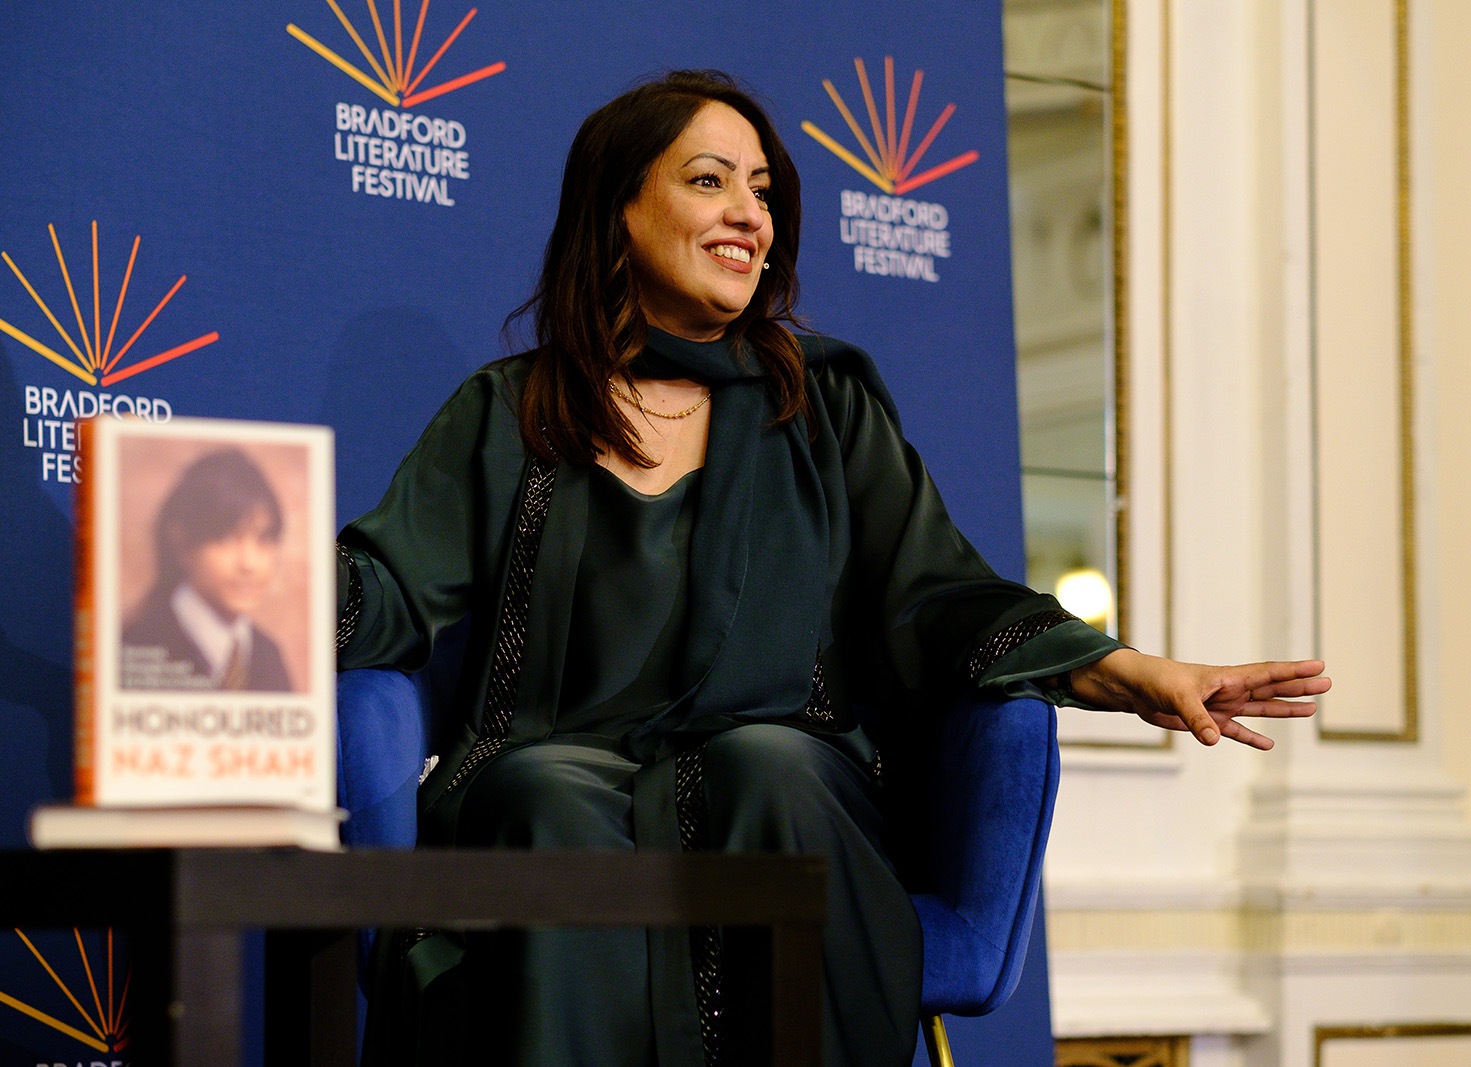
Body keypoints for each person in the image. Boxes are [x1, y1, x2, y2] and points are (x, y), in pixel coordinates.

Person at [334, 70, 1329, 1067]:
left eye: (762, 190)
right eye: (710, 180)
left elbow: (936, 593)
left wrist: (1128, 671)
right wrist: (243, 572)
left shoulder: (822, 402)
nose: (748, 216)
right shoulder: (514, 410)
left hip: (783, 780)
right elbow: (388, 582)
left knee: (764, 761)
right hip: (559, 769)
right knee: (539, 787)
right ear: (619, 209)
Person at [122, 447, 293, 693]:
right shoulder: (139, 645)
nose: (249, 564)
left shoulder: (268, 655)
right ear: (181, 542)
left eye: (263, 539)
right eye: (225, 539)